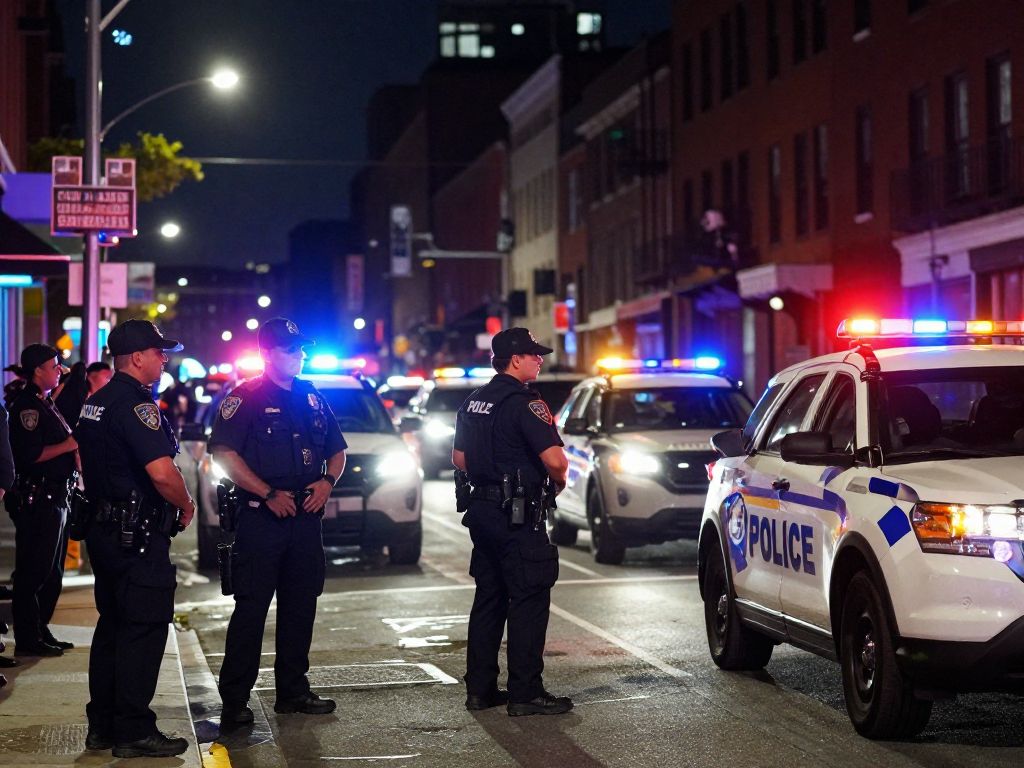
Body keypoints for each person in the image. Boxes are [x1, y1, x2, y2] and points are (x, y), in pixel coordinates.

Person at [211, 317, 347, 729]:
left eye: (301, 349)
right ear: (268, 354)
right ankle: (234, 702)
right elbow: (224, 454)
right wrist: (267, 493)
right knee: (251, 610)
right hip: (262, 518)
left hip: (305, 517)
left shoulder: (311, 396)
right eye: (291, 350)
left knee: (300, 606)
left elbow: (338, 451)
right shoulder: (245, 398)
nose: (300, 355)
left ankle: (293, 690)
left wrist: (327, 482)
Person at [73, 320, 195, 758]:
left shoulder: (97, 402)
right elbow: (162, 473)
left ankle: (102, 726)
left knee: (112, 627)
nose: (164, 360)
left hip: (105, 532)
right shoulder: (136, 406)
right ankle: (133, 730)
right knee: (142, 629)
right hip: (137, 535)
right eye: (159, 352)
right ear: (137, 357)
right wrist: (185, 504)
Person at [452, 327, 571, 716]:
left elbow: (460, 460)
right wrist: (557, 482)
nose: (540, 359)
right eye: (534, 355)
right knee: (529, 598)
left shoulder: (474, 401)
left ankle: (480, 690)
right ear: (515, 359)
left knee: (489, 598)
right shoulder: (526, 402)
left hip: (482, 513)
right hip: (518, 516)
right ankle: (525, 693)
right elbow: (555, 461)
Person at [5, 344, 79, 658]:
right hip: (39, 498)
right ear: (38, 370)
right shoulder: (28, 408)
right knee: (33, 572)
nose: (59, 370)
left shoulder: (45, 402)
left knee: (51, 572)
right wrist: (70, 445)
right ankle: (27, 637)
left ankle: (39, 630)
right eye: (54, 365)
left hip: (56, 495)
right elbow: (30, 455)